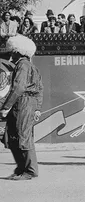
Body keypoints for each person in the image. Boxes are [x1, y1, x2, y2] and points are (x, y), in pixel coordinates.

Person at [0, 35, 43, 180]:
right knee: (15, 136)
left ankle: (29, 171)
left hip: (22, 103)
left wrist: (7, 106)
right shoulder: (31, 66)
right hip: (28, 103)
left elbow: (18, 87)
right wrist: (37, 108)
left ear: (18, 51)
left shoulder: (22, 65)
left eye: (12, 50)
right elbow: (39, 88)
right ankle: (22, 168)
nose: (10, 53)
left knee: (22, 136)